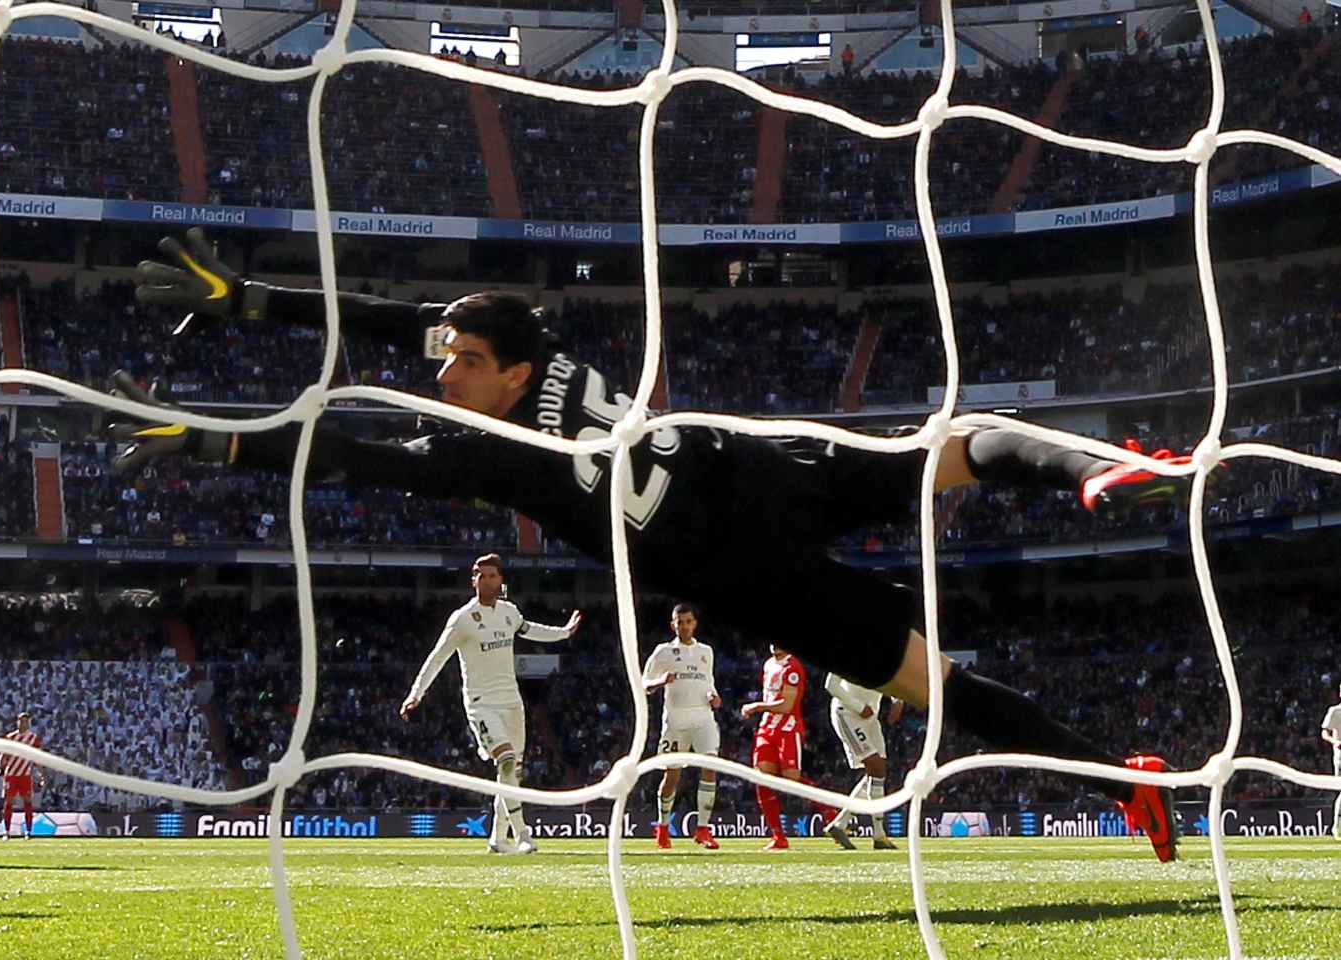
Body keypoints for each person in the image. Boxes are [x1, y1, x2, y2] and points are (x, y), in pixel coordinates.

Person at [116, 229, 1186, 861]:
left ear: (500, 369)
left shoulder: (501, 457)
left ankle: (1097, 471)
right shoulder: (534, 357)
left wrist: (216, 445)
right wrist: (253, 303)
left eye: (461, 362)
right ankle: (1115, 750)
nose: (442, 373)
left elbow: (351, 459)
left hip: (737, 542)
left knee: (932, 543)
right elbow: (392, 318)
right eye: (448, 356)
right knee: (932, 660)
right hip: (738, 483)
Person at [399, 554, 582, 854]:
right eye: (480, 576)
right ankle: (522, 833)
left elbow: (530, 628)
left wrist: (564, 632)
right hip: (482, 703)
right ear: (473, 581)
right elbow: (437, 657)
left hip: (512, 702)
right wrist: (415, 693)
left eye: (492, 575)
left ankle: (498, 838)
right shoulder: (462, 619)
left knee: (512, 772)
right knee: (507, 761)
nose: (486, 580)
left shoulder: (509, 612)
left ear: (501, 580)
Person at [739, 646, 838, 850]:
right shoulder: (769, 664)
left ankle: (830, 811)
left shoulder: (793, 667)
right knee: (762, 778)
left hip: (788, 728)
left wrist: (757, 706)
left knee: (791, 779)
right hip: (767, 728)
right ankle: (778, 837)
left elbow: (786, 705)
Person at [641, 602, 722, 850]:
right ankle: (663, 829)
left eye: (688, 621)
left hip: (703, 719)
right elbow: (644, 684)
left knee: (710, 769)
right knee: (672, 775)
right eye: (679, 621)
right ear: (672, 624)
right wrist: (661, 681)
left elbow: (709, 682)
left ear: (694, 624)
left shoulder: (706, 652)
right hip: (676, 720)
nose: (684, 626)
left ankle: (703, 829)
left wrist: (714, 696)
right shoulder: (663, 652)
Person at [820, 671, 902, 850]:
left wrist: (897, 699)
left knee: (877, 773)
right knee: (877, 768)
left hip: (870, 717)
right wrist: (858, 706)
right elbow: (831, 684)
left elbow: (892, 679)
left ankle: (840, 825)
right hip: (848, 713)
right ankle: (879, 835)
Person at [0, 711, 45, 839]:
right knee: (8, 802)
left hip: (25, 774)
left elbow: (37, 757)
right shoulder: (10, 737)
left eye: (26, 721)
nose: (24, 724)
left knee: (28, 802)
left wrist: (41, 773)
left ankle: (28, 832)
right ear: (17, 722)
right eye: (21, 721)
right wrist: (0, 768)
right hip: (11, 774)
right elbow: (4, 754)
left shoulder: (33, 738)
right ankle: (6, 831)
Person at [1322, 684, 1341, 840]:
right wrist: (1334, 741)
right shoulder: (1335, 711)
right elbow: (1324, 732)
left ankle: (1336, 826)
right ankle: (1336, 826)